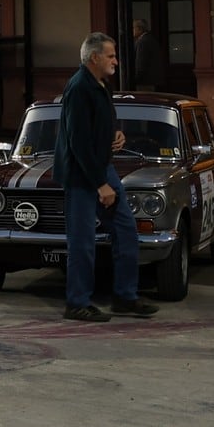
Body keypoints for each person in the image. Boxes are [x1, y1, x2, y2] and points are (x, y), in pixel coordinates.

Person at [56, 33, 156, 323]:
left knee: (126, 231)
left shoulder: (102, 85)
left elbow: (100, 125)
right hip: (82, 175)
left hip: (103, 167)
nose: (116, 61)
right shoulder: (78, 89)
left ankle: (125, 297)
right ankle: (77, 303)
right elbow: (78, 142)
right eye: (111, 56)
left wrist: (116, 133)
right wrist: (100, 184)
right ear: (94, 58)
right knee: (82, 241)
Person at [131, 18, 167, 91]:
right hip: (150, 81)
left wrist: (133, 80)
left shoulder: (143, 42)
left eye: (133, 28)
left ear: (140, 29)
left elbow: (141, 65)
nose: (132, 30)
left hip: (145, 83)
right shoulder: (149, 39)